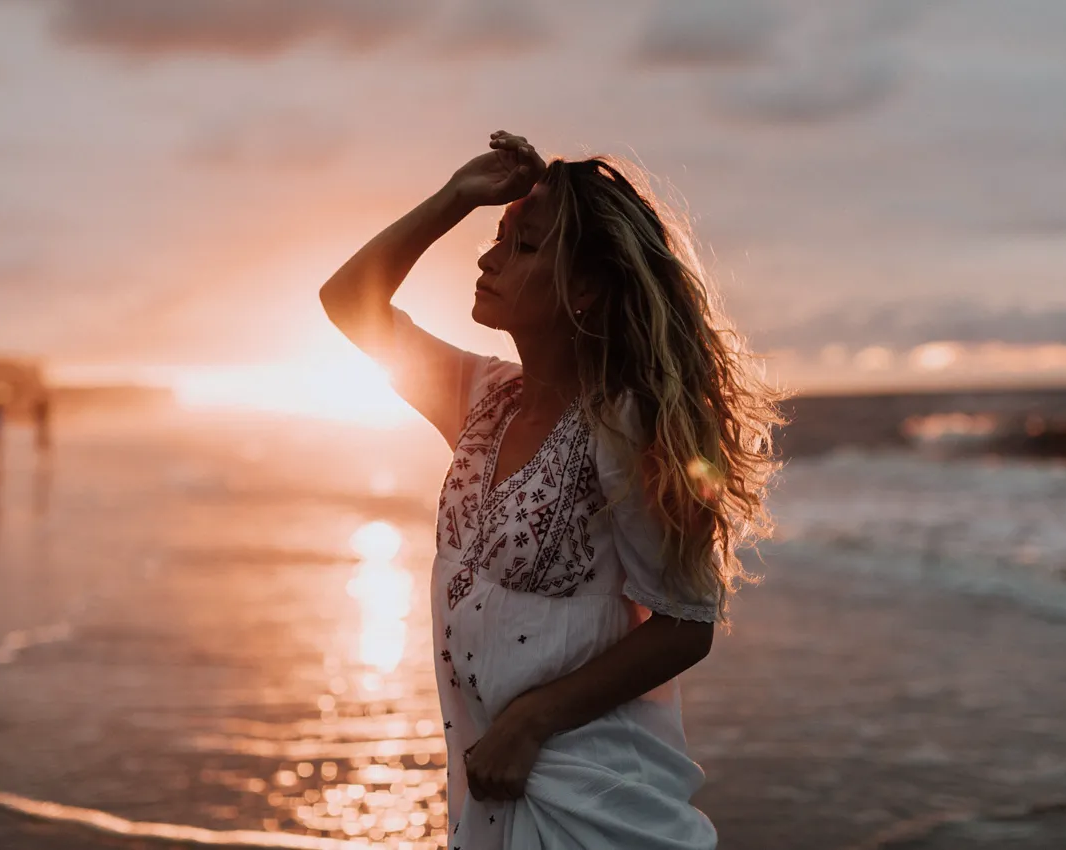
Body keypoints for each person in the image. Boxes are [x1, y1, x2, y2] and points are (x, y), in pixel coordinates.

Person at [319, 131, 782, 848]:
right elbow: (349, 300)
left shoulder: (623, 424)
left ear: (585, 289)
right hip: (491, 786)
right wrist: (457, 195)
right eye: (498, 240)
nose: (488, 260)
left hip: (594, 800)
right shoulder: (481, 396)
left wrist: (533, 721)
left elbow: (687, 620)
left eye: (525, 247)